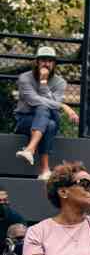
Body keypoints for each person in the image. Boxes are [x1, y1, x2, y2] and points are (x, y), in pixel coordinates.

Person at [14, 46, 78, 179]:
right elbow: (33, 100)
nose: (46, 63)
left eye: (50, 61)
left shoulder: (60, 82)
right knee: (49, 124)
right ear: (37, 62)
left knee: (45, 110)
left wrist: (43, 83)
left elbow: (52, 107)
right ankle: (44, 170)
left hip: (51, 116)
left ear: (54, 64)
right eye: (43, 60)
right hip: (25, 120)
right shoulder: (24, 78)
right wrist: (63, 106)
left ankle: (29, 149)